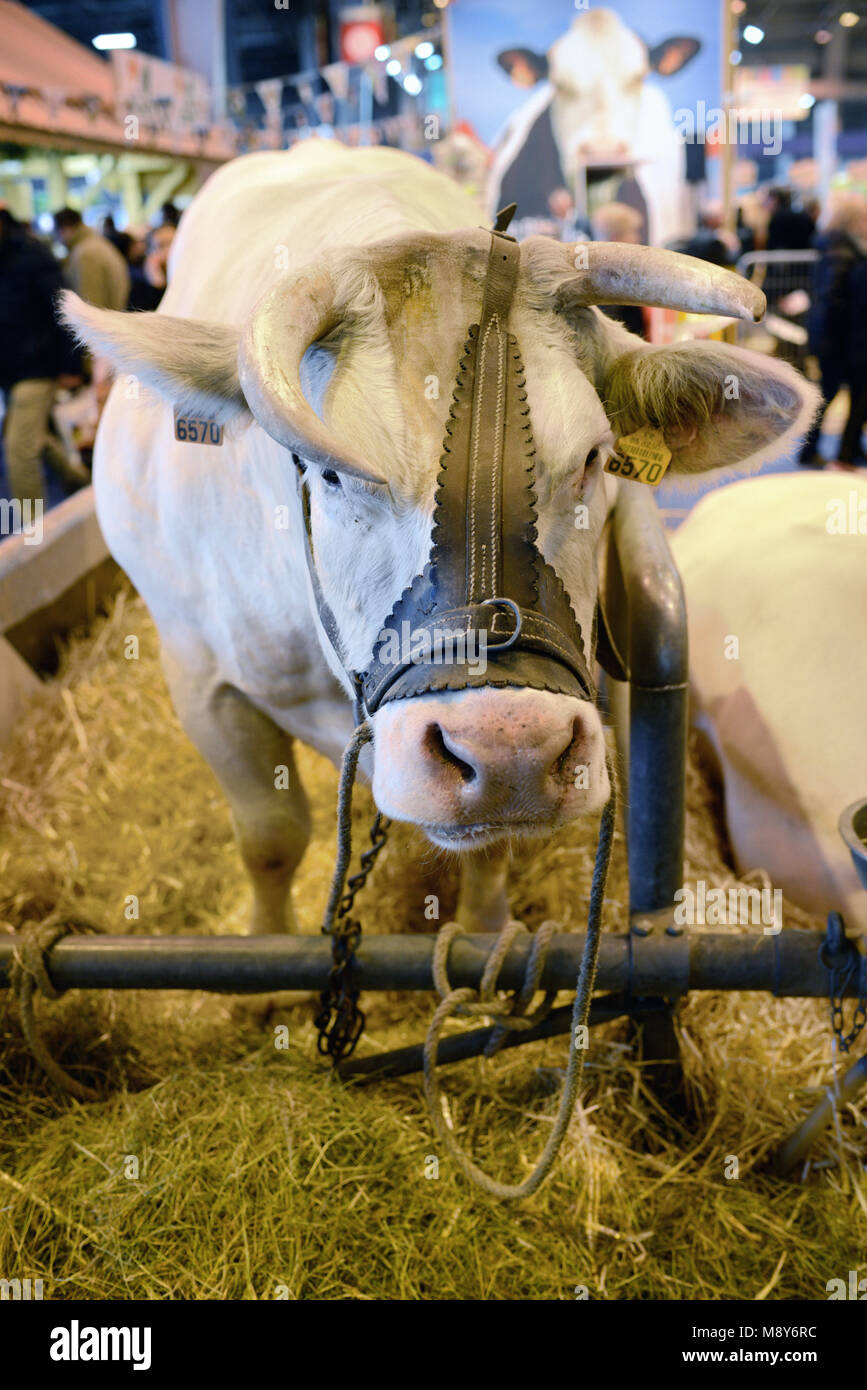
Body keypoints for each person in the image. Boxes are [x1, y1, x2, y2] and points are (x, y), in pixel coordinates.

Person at [0, 208, 88, 503]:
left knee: (19, 452)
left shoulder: (32, 255)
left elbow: (62, 309)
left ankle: (30, 538)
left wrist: (72, 364)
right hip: (11, 371)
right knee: (29, 436)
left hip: (37, 368)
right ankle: (81, 481)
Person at [798, 192, 867, 468]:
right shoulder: (842, 249)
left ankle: (846, 449)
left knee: (844, 394)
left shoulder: (839, 247)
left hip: (840, 336)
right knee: (829, 394)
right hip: (839, 338)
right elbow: (833, 300)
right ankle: (812, 450)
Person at [53, 207, 130, 310]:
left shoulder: (85, 253)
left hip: (105, 321)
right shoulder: (92, 244)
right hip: (113, 317)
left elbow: (91, 306)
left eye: (56, 232)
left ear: (66, 229)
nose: (56, 238)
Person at [590, 202, 647, 338]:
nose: (638, 239)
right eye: (633, 232)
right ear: (617, 239)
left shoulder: (601, 274)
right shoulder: (612, 284)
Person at [128, 222, 175, 311]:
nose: (170, 250)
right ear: (149, 252)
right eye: (161, 245)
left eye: (173, 244)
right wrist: (157, 284)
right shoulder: (138, 283)